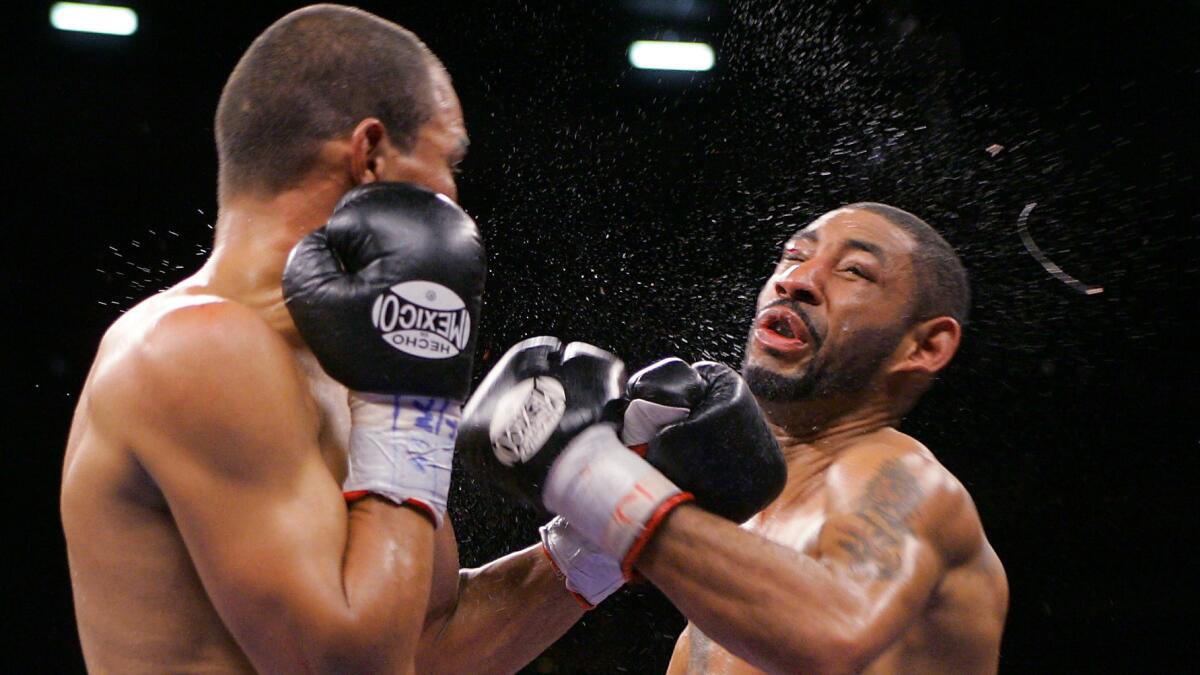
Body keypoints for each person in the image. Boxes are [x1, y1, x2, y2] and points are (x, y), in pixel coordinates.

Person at [61, 6, 588, 672]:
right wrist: (413, 409)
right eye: (446, 159)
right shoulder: (197, 347)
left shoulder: (345, 374)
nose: (455, 196)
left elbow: (416, 649)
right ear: (369, 153)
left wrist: (590, 547)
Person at [460, 203, 1009, 673]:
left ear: (926, 346)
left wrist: (596, 476)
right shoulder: (741, 544)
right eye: (794, 255)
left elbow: (835, 631)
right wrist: (592, 532)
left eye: (855, 272)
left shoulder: (909, 482)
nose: (797, 280)